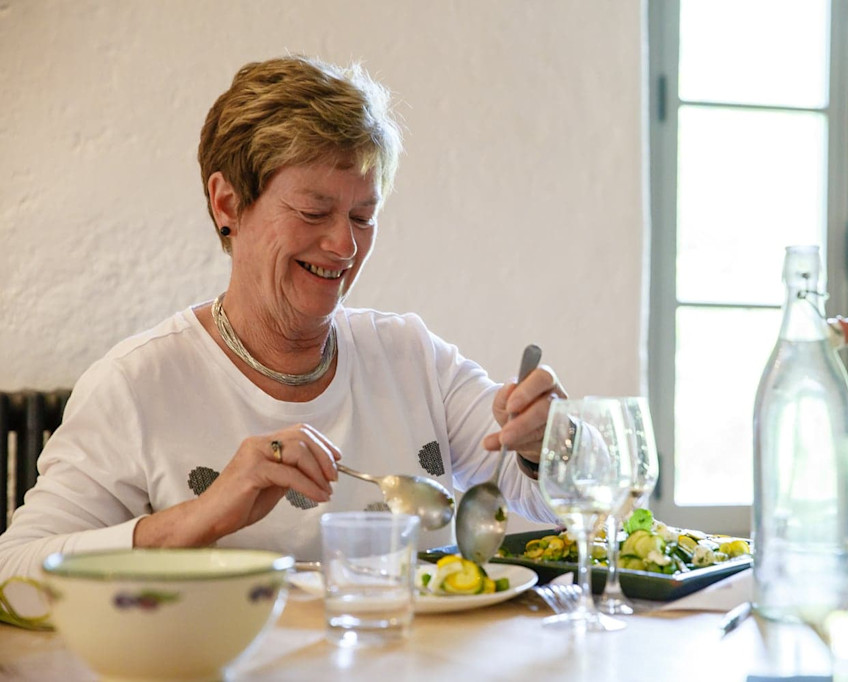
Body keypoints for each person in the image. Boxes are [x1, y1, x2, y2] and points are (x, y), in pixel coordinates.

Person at [0, 55, 564, 582]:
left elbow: (534, 494)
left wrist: (544, 444)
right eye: (314, 211)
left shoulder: (410, 356)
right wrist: (202, 518)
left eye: (363, 216)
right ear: (227, 205)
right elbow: (15, 570)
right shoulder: (137, 386)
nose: (344, 244)